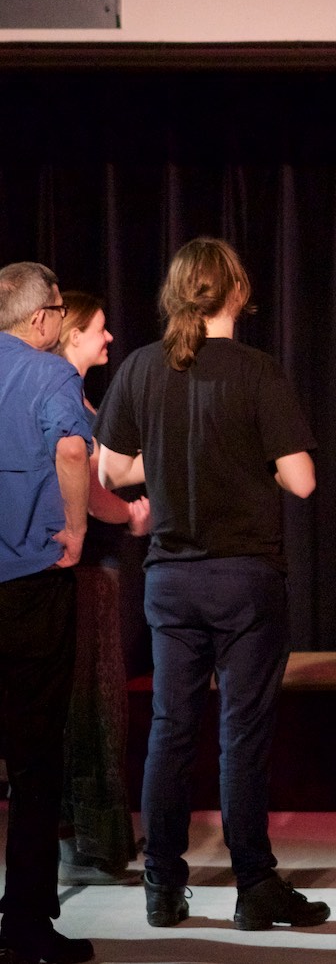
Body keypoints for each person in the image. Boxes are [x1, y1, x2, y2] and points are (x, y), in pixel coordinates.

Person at [95, 237, 328, 932]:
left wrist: (175, 456)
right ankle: (253, 884)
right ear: (237, 292)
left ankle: (162, 884)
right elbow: (302, 481)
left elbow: (111, 470)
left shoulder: (141, 367)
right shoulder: (256, 371)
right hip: (245, 579)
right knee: (241, 735)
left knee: (171, 729)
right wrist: (235, 453)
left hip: (170, 579)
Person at [0, 262, 94, 964]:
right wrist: (78, 529)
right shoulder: (50, 372)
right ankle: (26, 926)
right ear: (40, 319)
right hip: (29, 586)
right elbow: (69, 447)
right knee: (34, 760)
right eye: (60, 311)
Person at [53, 291, 151, 886]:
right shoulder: (65, 394)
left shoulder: (74, 395)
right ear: (72, 336)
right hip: (89, 568)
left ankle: (86, 838)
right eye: (99, 328)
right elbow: (88, 490)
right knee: (94, 701)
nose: (109, 337)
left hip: (91, 568)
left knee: (89, 701)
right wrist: (131, 514)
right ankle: (89, 843)